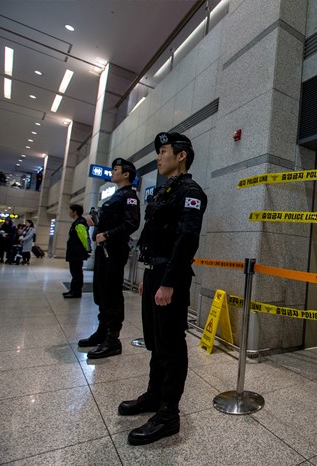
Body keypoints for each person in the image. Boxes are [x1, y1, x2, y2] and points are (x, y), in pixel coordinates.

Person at [118, 132, 206, 446]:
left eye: (163, 151)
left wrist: (168, 281)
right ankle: (154, 395)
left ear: (181, 155)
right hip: (156, 273)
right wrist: (149, 273)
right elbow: (152, 234)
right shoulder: (164, 190)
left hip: (173, 276)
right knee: (156, 341)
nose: (158, 157)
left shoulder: (191, 192)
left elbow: (186, 240)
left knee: (170, 345)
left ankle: (169, 413)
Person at [79, 157, 140, 359]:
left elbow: (131, 224)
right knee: (102, 292)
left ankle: (113, 339)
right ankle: (102, 331)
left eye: (116, 170)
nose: (112, 172)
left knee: (112, 294)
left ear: (126, 174)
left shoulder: (130, 196)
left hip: (113, 251)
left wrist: (107, 234)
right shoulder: (116, 195)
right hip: (103, 250)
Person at [63, 204, 91, 298]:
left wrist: (87, 250)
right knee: (75, 272)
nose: (69, 213)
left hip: (77, 253)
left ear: (75, 212)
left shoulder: (79, 223)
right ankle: (73, 290)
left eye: (71, 211)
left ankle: (76, 292)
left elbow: (84, 238)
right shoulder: (77, 222)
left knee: (76, 273)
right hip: (74, 252)